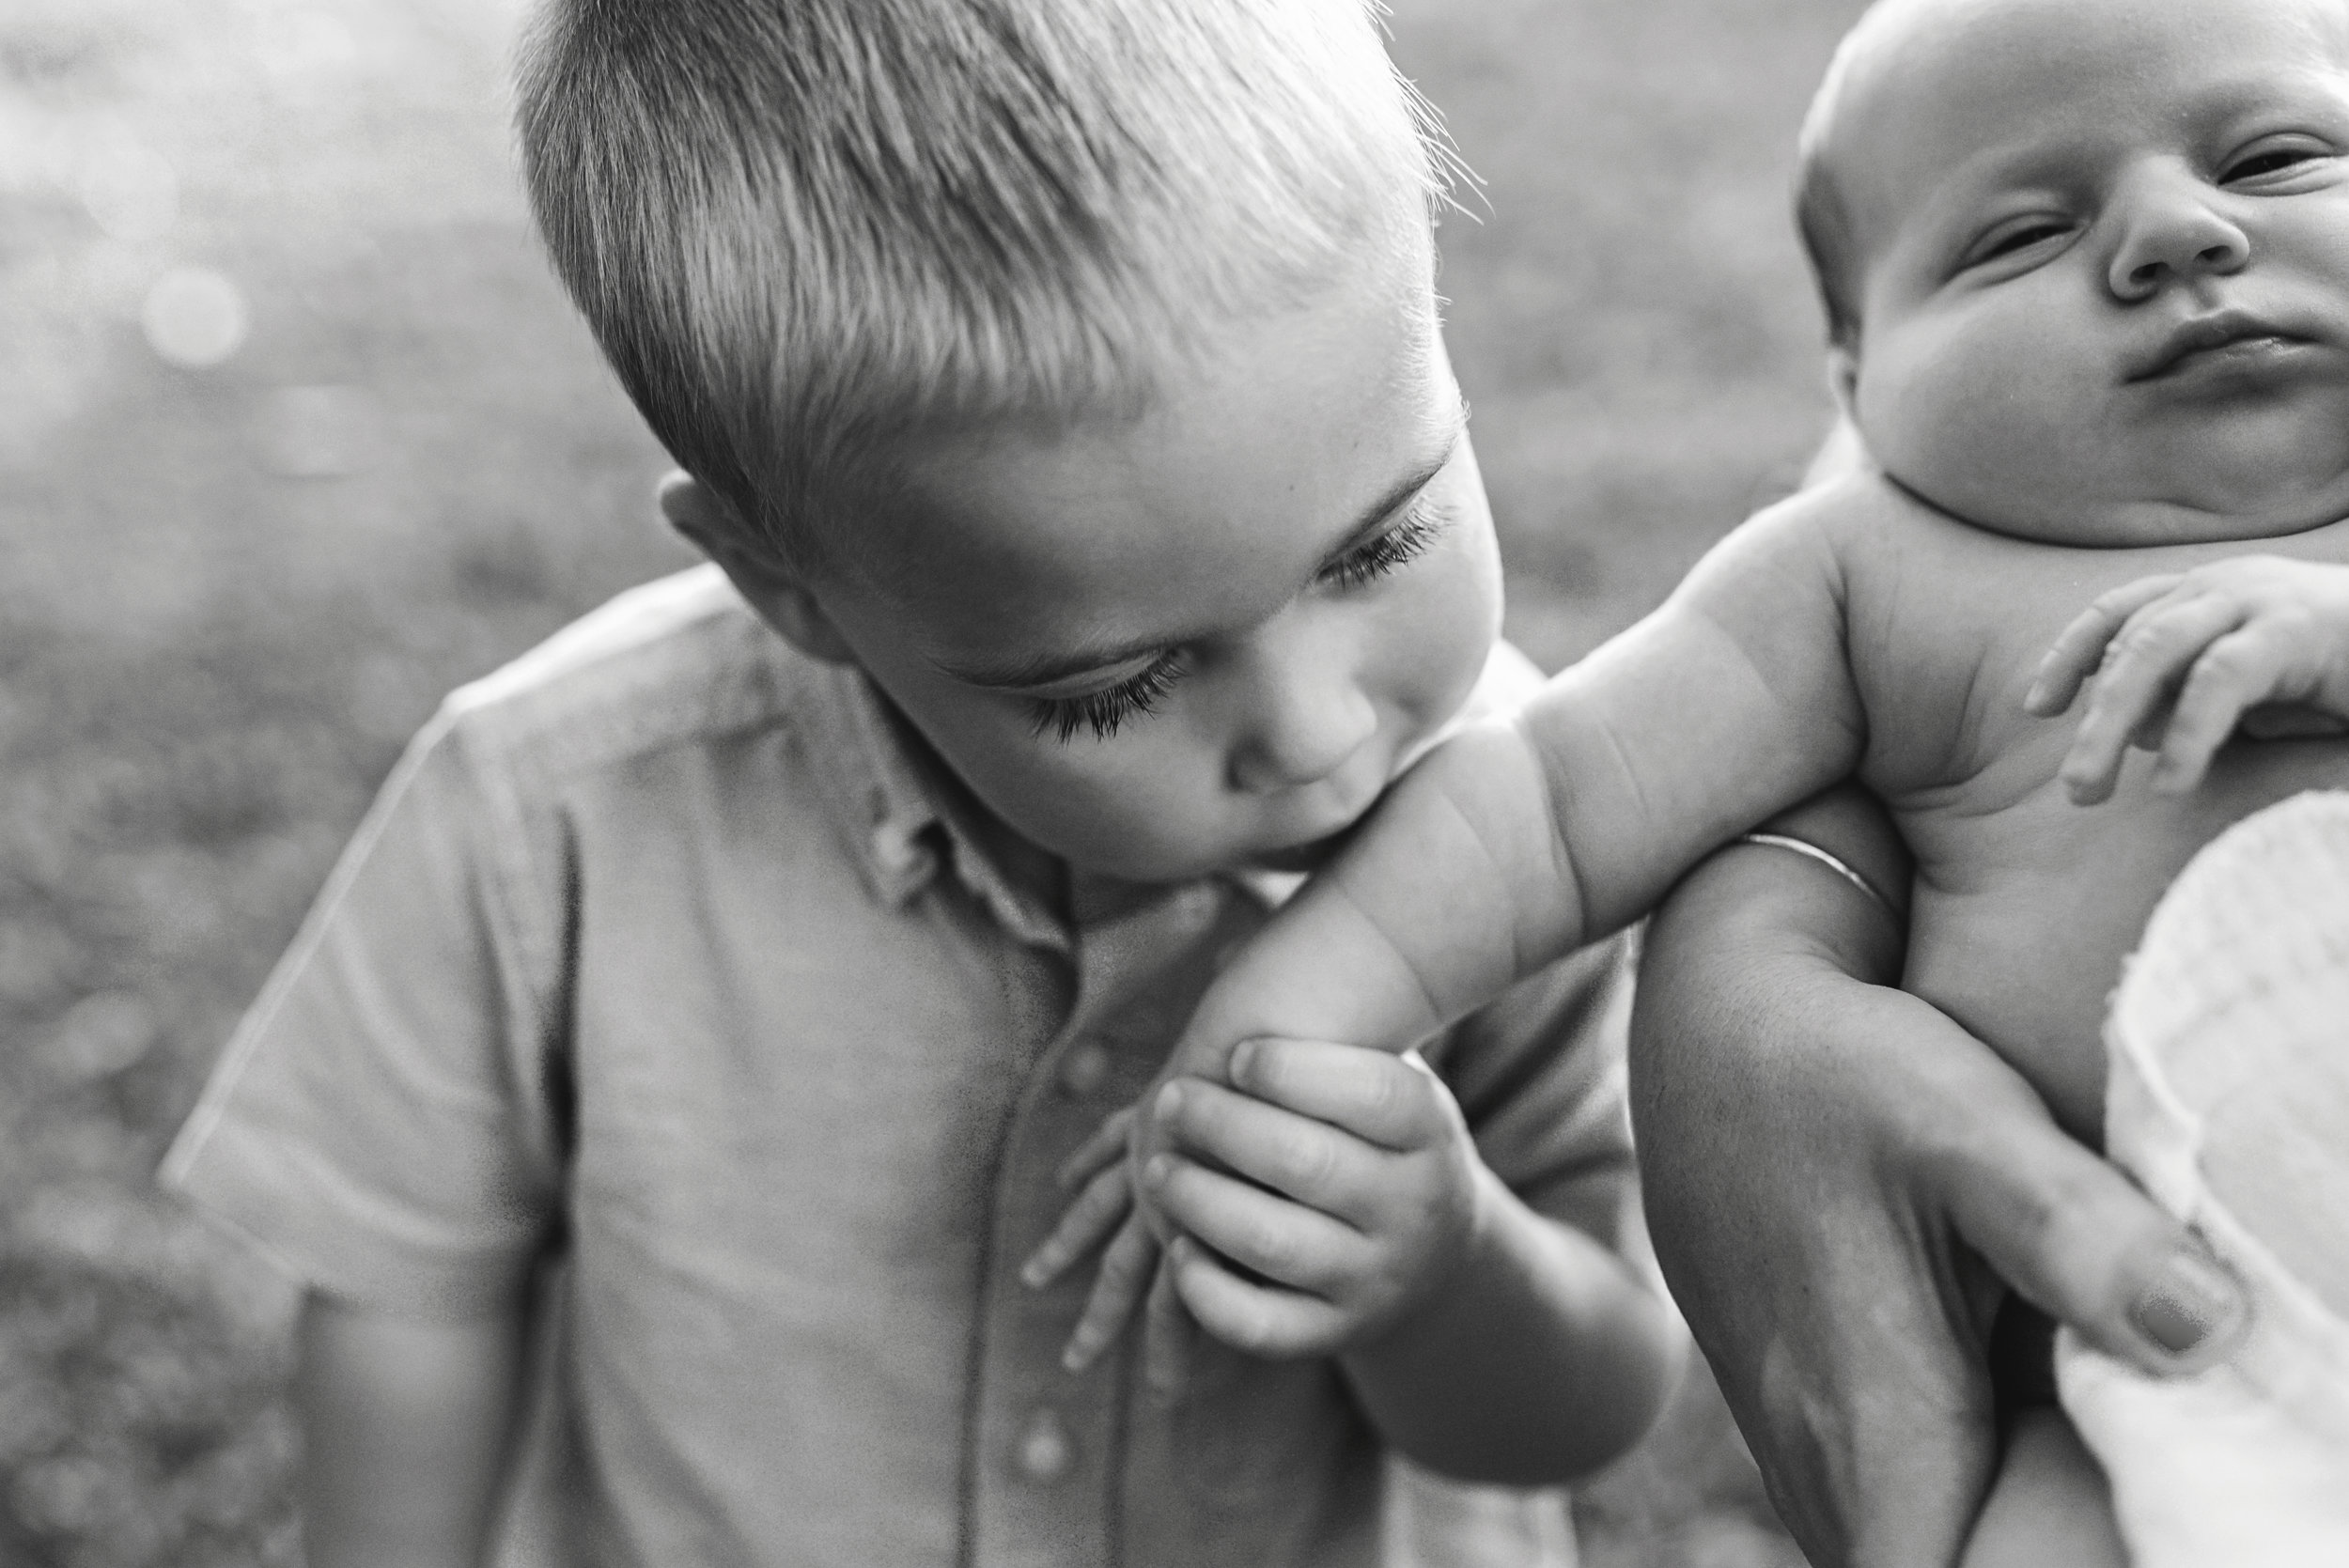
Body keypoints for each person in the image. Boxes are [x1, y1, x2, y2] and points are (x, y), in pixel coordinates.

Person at [157, 3, 1690, 1564]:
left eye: (1382, 542)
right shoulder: (550, 821)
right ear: (796, 589)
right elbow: (411, 1300)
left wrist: (1443, 1273)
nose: (1312, 730)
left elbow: (1596, 1400)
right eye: (1120, 687)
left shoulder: (1531, 828)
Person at [1039, 0, 2349, 1560]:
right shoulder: (1872, 576)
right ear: (1858, 379)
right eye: (2016, 238)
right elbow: (1546, 805)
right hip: (2187, 1382)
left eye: (2277, 158)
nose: (2173, 232)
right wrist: (1277, 1035)